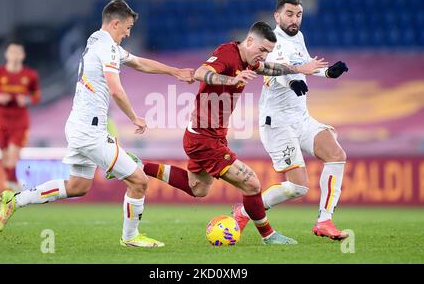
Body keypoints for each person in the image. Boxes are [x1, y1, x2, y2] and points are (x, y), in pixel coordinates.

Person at [0, 0, 194, 248]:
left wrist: (174, 72)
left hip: (80, 126)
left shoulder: (96, 41)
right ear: (115, 23)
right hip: (90, 131)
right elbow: (116, 89)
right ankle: (131, 237)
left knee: (77, 186)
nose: (128, 33)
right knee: (139, 180)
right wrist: (134, 117)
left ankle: (15, 200)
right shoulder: (107, 47)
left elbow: (139, 62)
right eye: (127, 28)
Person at [124, 21, 327, 245]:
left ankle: (136, 166)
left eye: (267, 52)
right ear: (249, 41)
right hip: (204, 138)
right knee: (252, 184)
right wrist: (232, 79)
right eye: (261, 50)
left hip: (209, 135)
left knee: (198, 188)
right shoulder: (227, 53)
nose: (263, 56)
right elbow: (202, 73)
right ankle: (268, 236)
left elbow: (267, 69)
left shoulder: (249, 61)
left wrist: (298, 69)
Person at [232, 0, 349, 240]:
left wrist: (328, 72)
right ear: (276, 16)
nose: (295, 19)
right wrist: (292, 80)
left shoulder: (299, 38)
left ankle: (325, 221)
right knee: (298, 187)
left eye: (299, 15)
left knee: (336, 155)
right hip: (277, 122)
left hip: (301, 118)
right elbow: (275, 68)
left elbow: (304, 64)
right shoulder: (271, 42)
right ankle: (244, 212)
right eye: (289, 14)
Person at [0, 41, 41, 192]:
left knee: (13, 154)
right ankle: (12, 182)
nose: (14, 56)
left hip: (20, 121)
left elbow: (36, 96)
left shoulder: (30, 75)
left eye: (18, 53)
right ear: (6, 55)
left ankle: (11, 185)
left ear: (23, 56)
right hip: (2, 120)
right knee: (5, 156)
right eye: (12, 53)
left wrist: (27, 100)